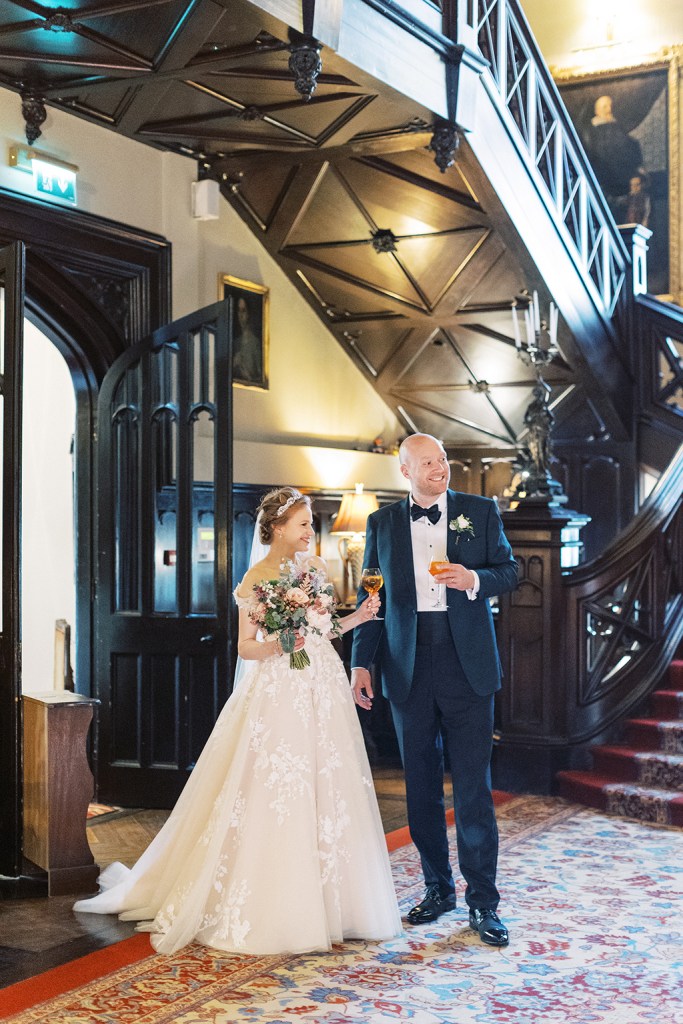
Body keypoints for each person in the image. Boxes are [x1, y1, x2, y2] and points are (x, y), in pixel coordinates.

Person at [75, 487, 402, 955]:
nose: (312, 531)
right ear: (277, 527)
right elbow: (246, 647)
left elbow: (323, 628)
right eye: (305, 523)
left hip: (321, 685)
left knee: (329, 784)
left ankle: (339, 904)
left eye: (311, 523)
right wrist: (281, 644)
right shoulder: (256, 577)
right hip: (280, 688)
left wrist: (359, 618)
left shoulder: (315, 570)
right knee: (277, 786)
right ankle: (278, 903)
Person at [351, 434, 518, 947]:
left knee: (472, 787)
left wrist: (472, 578)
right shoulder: (381, 523)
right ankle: (437, 889)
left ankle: (483, 904)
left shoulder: (479, 510)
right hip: (408, 666)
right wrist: (361, 663)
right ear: (405, 471)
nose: (440, 468)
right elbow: (370, 596)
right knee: (420, 787)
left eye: (443, 459)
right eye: (428, 462)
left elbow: (509, 571)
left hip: (467, 666)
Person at [582, 94, 644, 206]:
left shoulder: (617, 128)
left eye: (610, 106)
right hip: (604, 181)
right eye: (605, 107)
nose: (609, 110)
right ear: (597, 111)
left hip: (623, 182)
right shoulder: (591, 133)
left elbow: (629, 148)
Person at [233, 295, 262, 382]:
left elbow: (261, 377)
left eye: (244, 311)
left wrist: (248, 377)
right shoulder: (235, 343)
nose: (241, 315)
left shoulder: (255, 343)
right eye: (239, 311)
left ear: (248, 314)